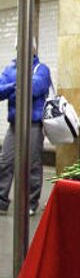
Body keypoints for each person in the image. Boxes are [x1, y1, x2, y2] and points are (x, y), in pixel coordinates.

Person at [0, 43, 51, 216]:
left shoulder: (42, 69)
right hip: (14, 125)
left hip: (33, 125)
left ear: (34, 49)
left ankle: (31, 202)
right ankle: (1, 201)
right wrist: (15, 86)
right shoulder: (10, 69)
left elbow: (34, 89)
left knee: (33, 165)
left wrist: (11, 88)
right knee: (5, 162)